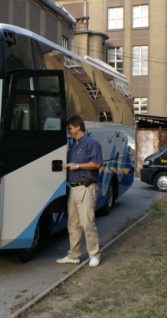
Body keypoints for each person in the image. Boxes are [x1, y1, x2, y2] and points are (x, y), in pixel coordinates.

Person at [56, 114, 103, 267]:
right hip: (73, 188)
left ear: (78, 127)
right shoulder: (73, 145)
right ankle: (74, 255)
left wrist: (76, 166)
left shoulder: (92, 143)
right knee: (73, 224)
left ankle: (94, 255)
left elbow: (96, 164)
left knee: (87, 223)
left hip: (86, 187)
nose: (68, 131)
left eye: (70, 128)